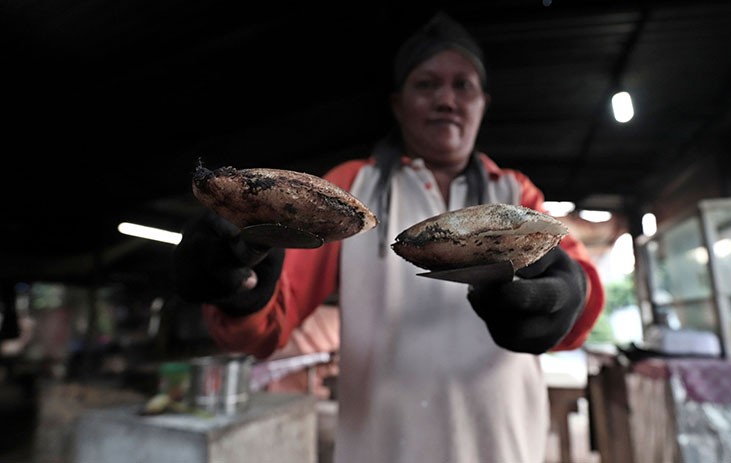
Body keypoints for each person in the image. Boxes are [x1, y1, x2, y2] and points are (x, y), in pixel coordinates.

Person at [173, 11, 605, 463]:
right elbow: (267, 324)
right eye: (426, 84)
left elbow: (581, 290)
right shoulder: (351, 192)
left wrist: (569, 295)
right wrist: (238, 290)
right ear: (398, 105)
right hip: (379, 448)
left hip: (504, 448)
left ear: (483, 103)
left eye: (463, 85)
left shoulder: (517, 192)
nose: (446, 99)